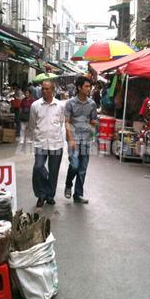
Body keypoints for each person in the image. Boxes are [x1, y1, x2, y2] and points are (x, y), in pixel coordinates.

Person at [29, 80, 65, 207]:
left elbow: (61, 122)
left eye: (47, 89)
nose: (44, 91)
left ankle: (50, 196)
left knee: (54, 172)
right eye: (43, 89)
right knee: (38, 167)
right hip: (40, 142)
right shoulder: (35, 105)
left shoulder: (60, 105)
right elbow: (32, 124)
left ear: (53, 90)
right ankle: (41, 194)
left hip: (56, 142)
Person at [64, 76, 98, 204]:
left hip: (86, 139)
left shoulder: (92, 104)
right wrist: (70, 138)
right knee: (74, 165)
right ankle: (68, 183)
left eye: (90, 87)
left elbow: (94, 120)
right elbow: (66, 122)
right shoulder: (70, 103)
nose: (89, 89)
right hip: (74, 138)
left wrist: (92, 135)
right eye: (86, 86)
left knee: (83, 168)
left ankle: (78, 195)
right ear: (79, 88)